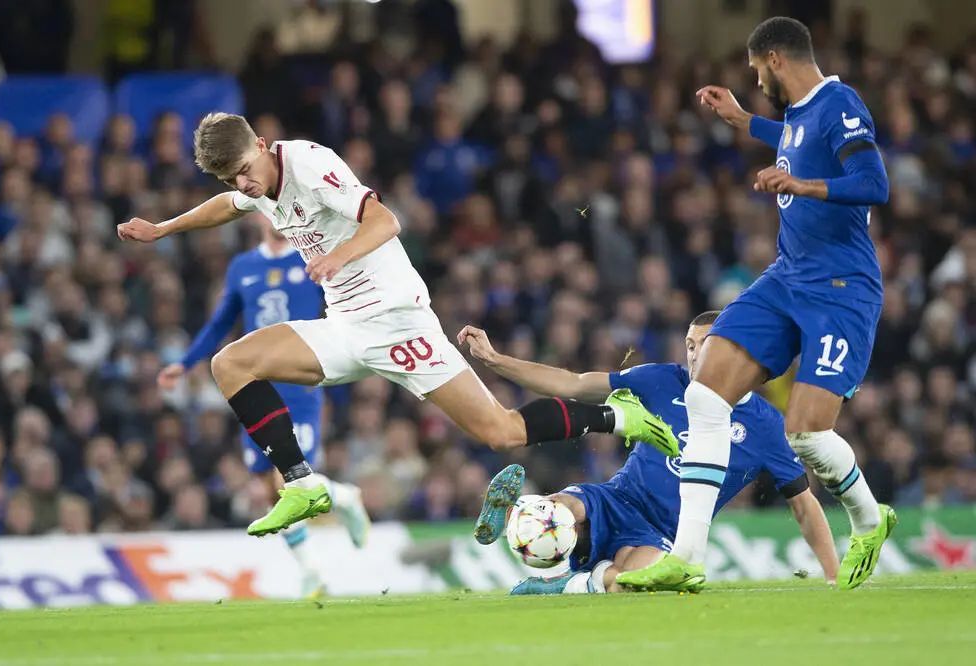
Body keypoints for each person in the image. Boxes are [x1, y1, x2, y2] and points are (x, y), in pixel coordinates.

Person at [117, 113, 677, 538]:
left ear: (261, 144)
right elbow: (228, 206)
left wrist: (336, 258)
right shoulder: (252, 188)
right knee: (231, 363)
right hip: (344, 326)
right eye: (231, 177)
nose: (243, 184)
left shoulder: (309, 165)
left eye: (245, 170)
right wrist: (163, 229)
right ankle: (302, 483)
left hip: (396, 320)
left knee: (500, 432)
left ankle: (615, 416)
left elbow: (387, 220)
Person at [622, 17, 894, 592]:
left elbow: (874, 183)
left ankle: (870, 519)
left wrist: (803, 186)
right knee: (704, 395)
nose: (756, 80)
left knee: (806, 436)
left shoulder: (840, 103)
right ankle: (687, 555)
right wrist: (744, 120)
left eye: (754, 71)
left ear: (774, 59)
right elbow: (794, 141)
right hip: (787, 277)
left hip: (840, 289)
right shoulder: (800, 115)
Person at [460, 312, 839, 594]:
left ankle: (565, 585)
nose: (694, 355)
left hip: (661, 533)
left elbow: (803, 504)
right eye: (690, 345)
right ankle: (515, 513)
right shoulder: (663, 379)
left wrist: (833, 576)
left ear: (733, 350)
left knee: (634, 584)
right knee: (555, 513)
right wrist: (496, 360)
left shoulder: (765, 425)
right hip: (616, 499)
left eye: (705, 345)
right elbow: (574, 383)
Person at [156, 213, 369, 596]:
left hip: (300, 386)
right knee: (266, 488)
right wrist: (185, 364)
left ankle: (332, 527)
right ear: (256, 215)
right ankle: (323, 543)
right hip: (256, 387)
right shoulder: (243, 266)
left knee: (287, 478)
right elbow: (221, 322)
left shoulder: (311, 257)